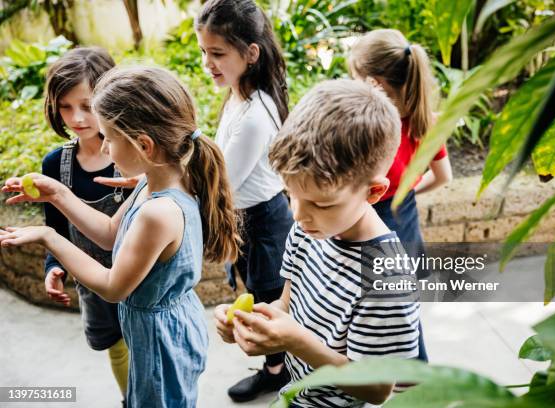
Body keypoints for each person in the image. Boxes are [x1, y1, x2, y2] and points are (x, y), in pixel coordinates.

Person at [1, 66, 241, 408]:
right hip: (160, 330)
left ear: (144, 144)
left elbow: (113, 286)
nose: (107, 150)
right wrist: (57, 194)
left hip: (160, 343)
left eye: (109, 139)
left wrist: (49, 237)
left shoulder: (158, 213)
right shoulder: (155, 178)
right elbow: (111, 235)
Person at [214, 79, 421, 407]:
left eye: (321, 204)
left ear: (374, 192)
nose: (298, 214)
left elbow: (377, 389)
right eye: (291, 194)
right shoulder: (309, 230)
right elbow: (287, 304)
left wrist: (294, 341)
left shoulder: (386, 277)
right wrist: (251, 321)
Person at [195, 0, 293, 401]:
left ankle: (277, 371)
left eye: (217, 54)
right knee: (251, 289)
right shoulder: (238, 93)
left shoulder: (255, 114)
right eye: (203, 52)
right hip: (247, 216)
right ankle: (277, 366)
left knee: (267, 298)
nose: (208, 63)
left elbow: (223, 181)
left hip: (264, 221)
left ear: (250, 54)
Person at [349, 29, 453, 362]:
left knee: (393, 315)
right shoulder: (429, 122)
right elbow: (443, 177)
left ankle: (417, 381)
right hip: (404, 217)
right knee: (400, 304)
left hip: (373, 223)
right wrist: (404, 193)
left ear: (375, 84)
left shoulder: (375, 130)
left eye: (357, 79)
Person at [39, 47, 130, 405]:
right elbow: (57, 227)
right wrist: (54, 267)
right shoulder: (55, 165)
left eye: (87, 105)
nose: (76, 118)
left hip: (138, 279)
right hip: (94, 285)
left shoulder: (132, 155)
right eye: (65, 106)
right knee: (116, 348)